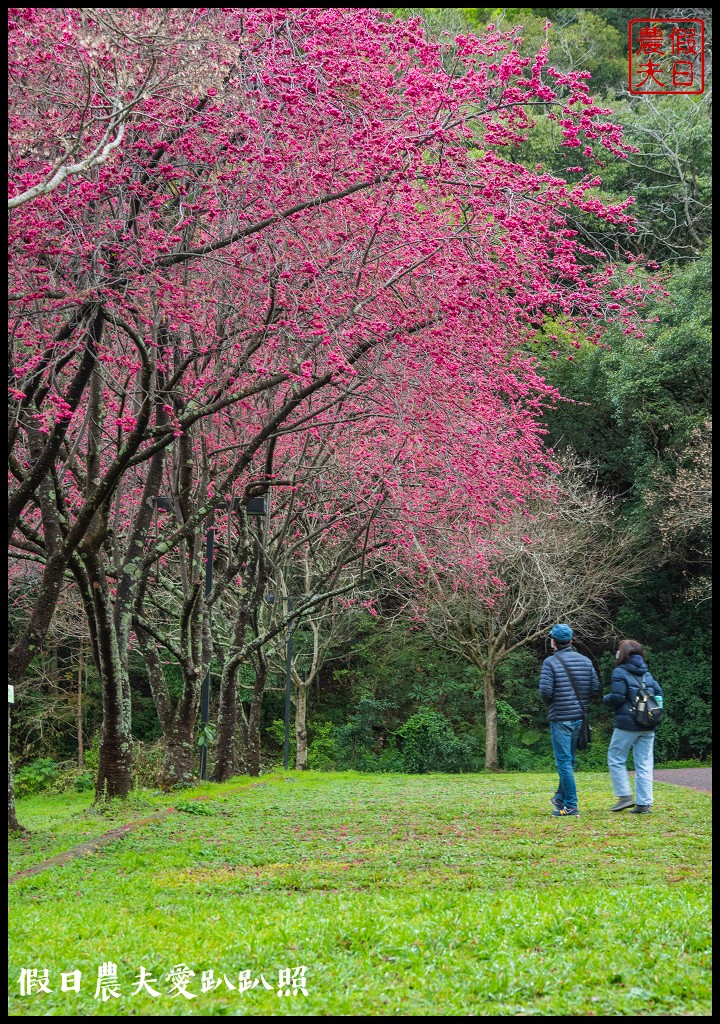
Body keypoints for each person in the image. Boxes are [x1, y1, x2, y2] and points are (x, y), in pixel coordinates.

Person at [539, 623, 600, 817]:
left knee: (564, 762)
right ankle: (559, 798)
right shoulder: (585, 661)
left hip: (560, 718)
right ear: (571, 641)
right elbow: (595, 688)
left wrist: (555, 701)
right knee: (569, 761)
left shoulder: (550, 662)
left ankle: (571, 806)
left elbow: (546, 692)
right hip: (578, 718)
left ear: (553, 642)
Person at [604, 638, 664, 814]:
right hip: (648, 724)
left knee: (616, 758)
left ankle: (624, 796)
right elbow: (659, 694)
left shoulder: (619, 672)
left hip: (627, 724)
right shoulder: (647, 674)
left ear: (621, 654)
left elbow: (618, 697)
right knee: (644, 763)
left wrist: (605, 699)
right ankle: (644, 803)